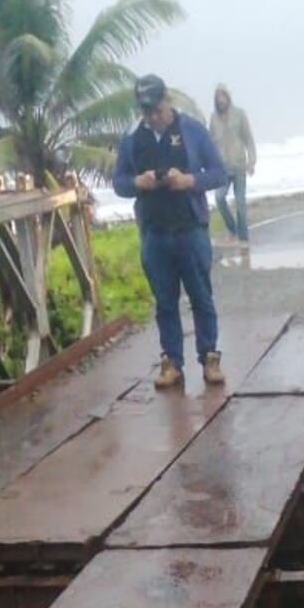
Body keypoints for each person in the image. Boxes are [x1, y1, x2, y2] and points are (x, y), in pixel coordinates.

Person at [113, 74, 228, 388]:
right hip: (154, 233)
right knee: (164, 302)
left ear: (167, 100)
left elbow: (219, 173)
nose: (153, 116)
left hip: (190, 228)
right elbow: (119, 182)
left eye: (157, 108)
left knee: (201, 297)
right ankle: (172, 362)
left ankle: (209, 357)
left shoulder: (191, 130)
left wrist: (189, 181)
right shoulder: (132, 137)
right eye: (146, 110)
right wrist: (139, 182)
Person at [209, 84, 257, 244]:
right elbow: (210, 144)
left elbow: (249, 140)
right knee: (219, 198)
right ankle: (232, 229)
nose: (221, 100)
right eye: (218, 98)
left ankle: (244, 239)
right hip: (222, 168)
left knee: (240, 203)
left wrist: (251, 162)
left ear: (228, 98)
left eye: (223, 97)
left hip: (239, 166)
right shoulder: (213, 118)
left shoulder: (239, 115)